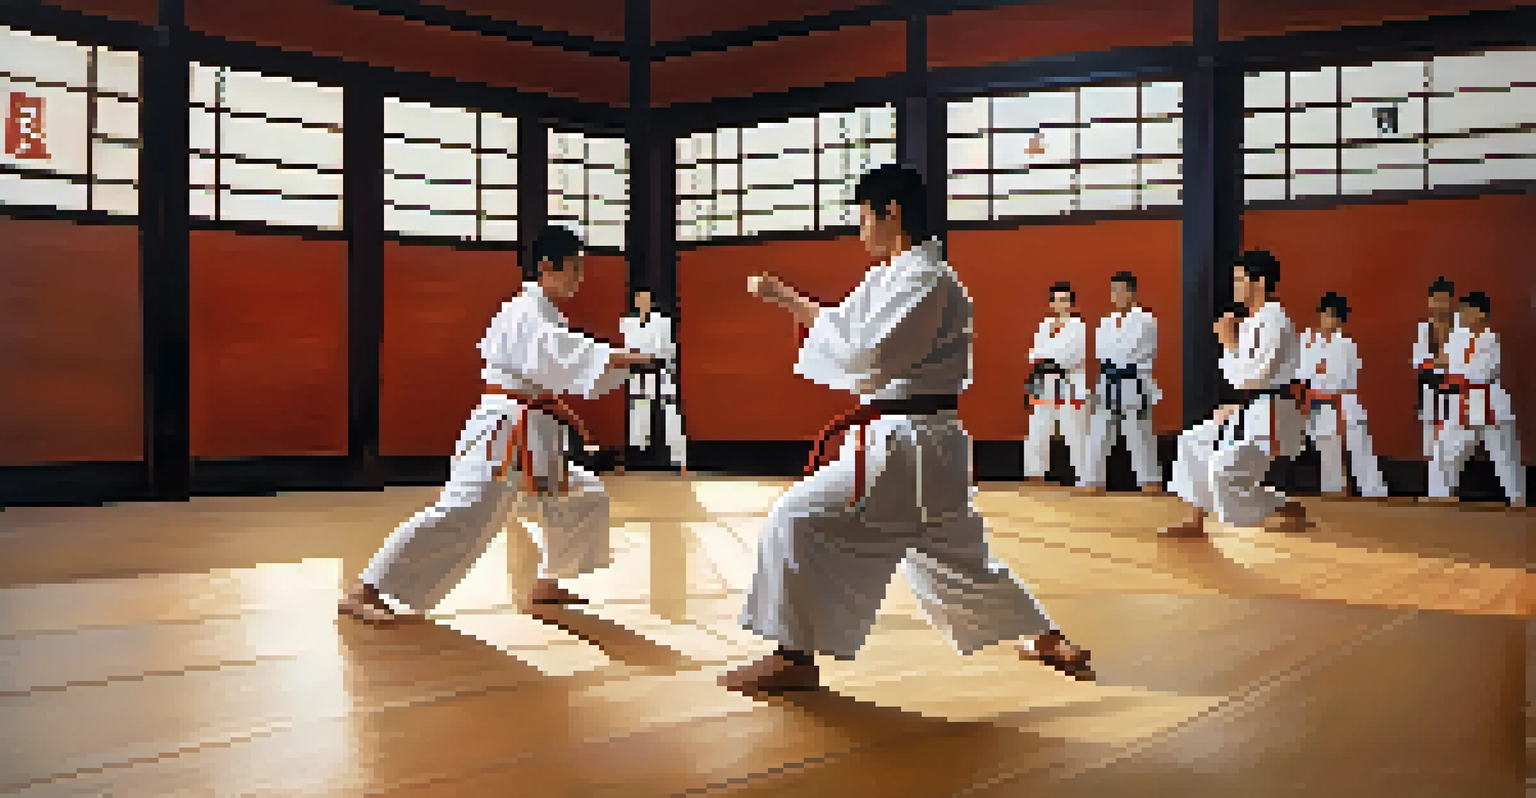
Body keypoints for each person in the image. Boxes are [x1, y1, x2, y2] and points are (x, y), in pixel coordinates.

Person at [718, 164, 1092, 696]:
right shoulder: (892, 276)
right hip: (925, 446)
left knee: (794, 518)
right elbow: (845, 329)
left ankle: (792, 656)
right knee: (956, 557)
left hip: (907, 446)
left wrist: (789, 301)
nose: (860, 229)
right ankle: (1047, 637)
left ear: (890, 213)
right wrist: (787, 298)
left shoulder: (926, 278)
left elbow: (869, 357)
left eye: (863, 217)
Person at [338, 227, 657, 624]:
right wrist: (623, 358)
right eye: (574, 268)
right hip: (503, 432)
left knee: (582, 496)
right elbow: (561, 352)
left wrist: (619, 360)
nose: (579, 278)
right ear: (546, 267)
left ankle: (547, 581)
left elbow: (562, 357)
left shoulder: (544, 312)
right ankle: (366, 589)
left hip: (532, 432)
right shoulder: (524, 313)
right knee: (463, 511)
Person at [1163, 250, 1308, 537]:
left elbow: (1249, 377)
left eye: (1240, 280)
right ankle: (1196, 519)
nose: (1235, 287)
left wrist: (1228, 342)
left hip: (1273, 415)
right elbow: (1244, 380)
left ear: (1260, 282)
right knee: (1192, 441)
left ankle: (1279, 505)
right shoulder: (1254, 320)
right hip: (1255, 407)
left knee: (1223, 469)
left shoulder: (1275, 321)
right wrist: (1239, 406)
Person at [1427, 292, 1525, 508]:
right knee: (1445, 450)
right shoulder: (1456, 337)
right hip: (1461, 401)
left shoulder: (1489, 339)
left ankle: (1519, 502)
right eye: (1460, 311)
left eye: (1466, 311)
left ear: (1480, 314)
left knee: (1504, 456)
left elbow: (1480, 372)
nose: (1461, 314)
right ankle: (1438, 499)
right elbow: (1441, 364)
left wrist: (1453, 367)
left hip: (1488, 401)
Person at [1300, 293, 1388, 499]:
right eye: (1325, 314)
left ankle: (1375, 493)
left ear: (1340, 320)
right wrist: (1316, 371)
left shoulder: (1346, 344)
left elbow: (1340, 376)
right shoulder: (1306, 340)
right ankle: (1333, 497)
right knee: (1328, 453)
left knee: (1360, 450)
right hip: (1319, 404)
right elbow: (1301, 372)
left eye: (1333, 316)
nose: (1328, 320)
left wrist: (1318, 370)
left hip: (1344, 401)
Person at [1080, 271, 1161, 494]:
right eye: (1114, 291)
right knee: (1098, 432)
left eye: (1122, 290)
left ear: (1132, 293)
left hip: (1133, 380)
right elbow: (1101, 353)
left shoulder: (1146, 320)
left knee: (1139, 435)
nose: (1117, 295)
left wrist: (1117, 360)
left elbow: (1132, 351)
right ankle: (1092, 481)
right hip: (1108, 381)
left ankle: (1149, 482)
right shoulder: (1105, 322)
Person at [1024, 283, 1089, 486]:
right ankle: (1035, 473)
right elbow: (1033, 354)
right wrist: (1046, 355)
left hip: (1069, 381)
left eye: (1065, 300)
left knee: (1075, 431)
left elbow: (1069, 355)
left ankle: (1084, 476)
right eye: (1057, 300)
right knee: (1038, 428)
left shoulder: (1078, 327)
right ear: (1051, 303)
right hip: (1045, 382)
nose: (1061, 304)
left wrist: (1045, 354)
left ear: (1071, 303)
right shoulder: (1044, 325)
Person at [619, 288, 687, 472]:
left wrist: (665, 365)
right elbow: (626, 349)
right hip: (638, 372)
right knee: (638, 414)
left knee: (670, 412)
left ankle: (679, 459)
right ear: (635, 302)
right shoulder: (627, 323)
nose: (643, 302)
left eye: (647, 299)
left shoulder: (662, 322)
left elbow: (669, 349)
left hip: (660, 370)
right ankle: (635, 458)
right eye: (640, 299)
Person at [1412, 278, 1459, 460]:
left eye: (1444, 300)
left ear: (1451, 301)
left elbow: (1464, 360)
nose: (1440, 305)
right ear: (1430, 302)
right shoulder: (1425, 328)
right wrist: (1440, 362)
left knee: (1454, 440)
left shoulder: (1460, 327)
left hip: (1456, 388)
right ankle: (1432, 473)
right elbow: (1418, 360)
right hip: (1430, 387)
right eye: (1436, 300)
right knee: (1430, 441)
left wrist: (1442, 361)